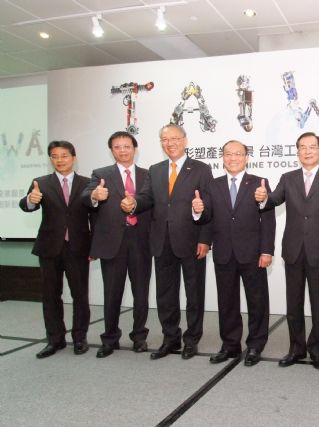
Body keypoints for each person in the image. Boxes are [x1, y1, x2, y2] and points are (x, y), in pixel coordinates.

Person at [122, 124, 214, 360]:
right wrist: (133, 203)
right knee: (165, 294)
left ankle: (192, 340)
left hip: (192, 241)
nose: (170, 143)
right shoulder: (156, 169)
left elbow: (208, 206)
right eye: (165, 139)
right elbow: (146, 198)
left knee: (194, 294)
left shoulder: (201, 169)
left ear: (185, 140)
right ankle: (170, 338)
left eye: (174, 138)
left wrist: (205, 239)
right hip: (162, 241)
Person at [254, 132, 319, 370]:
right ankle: (296, 348)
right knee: (293, 304)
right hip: (293, 250)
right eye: (302, 147)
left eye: (312, 147)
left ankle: (317, 350)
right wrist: (263, 198)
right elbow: (273, 199)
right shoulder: (288, 177)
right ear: (297, 151)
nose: (307, 151)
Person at [194, 140, 275, 367]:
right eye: (228, 154)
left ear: (246, 157)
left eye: (238, 154)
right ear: (223, 157)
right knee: (227, 302)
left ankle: (255, 345)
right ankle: (230, 344)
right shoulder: (213, 184)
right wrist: (197, 210)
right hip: (224, 252)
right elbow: (207, 216)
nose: (232, 158)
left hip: (252, 253)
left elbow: (267, 220)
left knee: (257, 302)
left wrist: (267, 250)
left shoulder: (259, 183)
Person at [19, 140, 92, 358]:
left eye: (64, 156)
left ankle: (80, 339)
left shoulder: (88, 184)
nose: (59, 160)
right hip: (49, 248)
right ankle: (55, 340)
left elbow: (95, 217)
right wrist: (31, 200)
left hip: (78, 248)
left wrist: (94, 246)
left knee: (80, 295)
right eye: (54, 156)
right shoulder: (40, 182)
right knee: (51, 296)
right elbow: (26, 205)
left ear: (74, 157)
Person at [82, 131, 151, 358]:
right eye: (117, 147)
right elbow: (85, 197)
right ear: (112, 150)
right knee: (112, 293)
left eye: (127, 146)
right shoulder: (101, 174)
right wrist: (95, 195)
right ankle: (110, 338)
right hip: (113, 243)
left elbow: (151, 201)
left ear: (135, 149)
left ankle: (139, 337)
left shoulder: (147, 175)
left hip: (141, 241)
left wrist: (136, 204)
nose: (123, 150)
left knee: (141, 293)